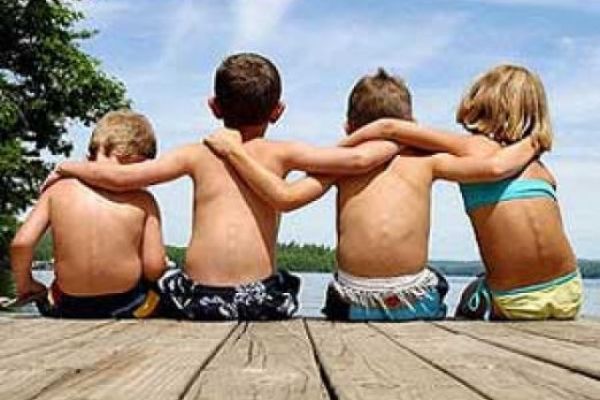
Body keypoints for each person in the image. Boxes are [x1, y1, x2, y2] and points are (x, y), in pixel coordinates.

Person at [45, 53, 400, 320]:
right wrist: (397, 139)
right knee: (286, 282)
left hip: (198, 300)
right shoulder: (284, 152)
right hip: (259, 300)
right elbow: (358, 160)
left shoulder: (196, 153)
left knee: (159, 284)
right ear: (278, 111)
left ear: (214, 107)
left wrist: (65, 167)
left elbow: (121, 178)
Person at [204, 68, 538, 321]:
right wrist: (531, 144)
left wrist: (235, 153)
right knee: (438, 280)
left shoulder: (340, 166)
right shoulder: (428, 162)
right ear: (412, 124)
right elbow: (492, 167)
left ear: (349, 127)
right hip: (414, 303)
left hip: (353, 304)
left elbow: (286, 197)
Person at [339, 64, 582, 320]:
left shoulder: (472, 148)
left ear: (481, 102)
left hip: (516, 301)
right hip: (569, 292)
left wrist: (344, 149)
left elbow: (390, 128)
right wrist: (535, 141)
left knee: (468, 295)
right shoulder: (539, 166)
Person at [11, 110, 166, 318]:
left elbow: (21, 244)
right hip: (129, 305)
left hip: (67, 305)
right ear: (134, 160)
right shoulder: (143, 199)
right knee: (163, 292)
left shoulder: (57, 189)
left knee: (50, 294)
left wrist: (25, 283)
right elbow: (154, 267)